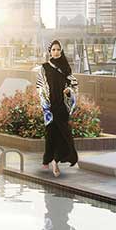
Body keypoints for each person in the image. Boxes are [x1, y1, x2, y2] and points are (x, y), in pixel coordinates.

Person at [39, 40, 79, 175]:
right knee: (50, 134)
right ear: (50, 52)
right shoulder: (44, 67)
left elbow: (73, 84)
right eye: (53, 50)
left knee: (64, 135)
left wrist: (69, 91)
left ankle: (56, 160)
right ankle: (47, 160)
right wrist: (45, 103)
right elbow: (40, 86)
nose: (56, 52)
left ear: (61, 51)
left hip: (62, 107)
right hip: (49, 107)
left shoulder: (66, 67)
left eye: (58, 50)